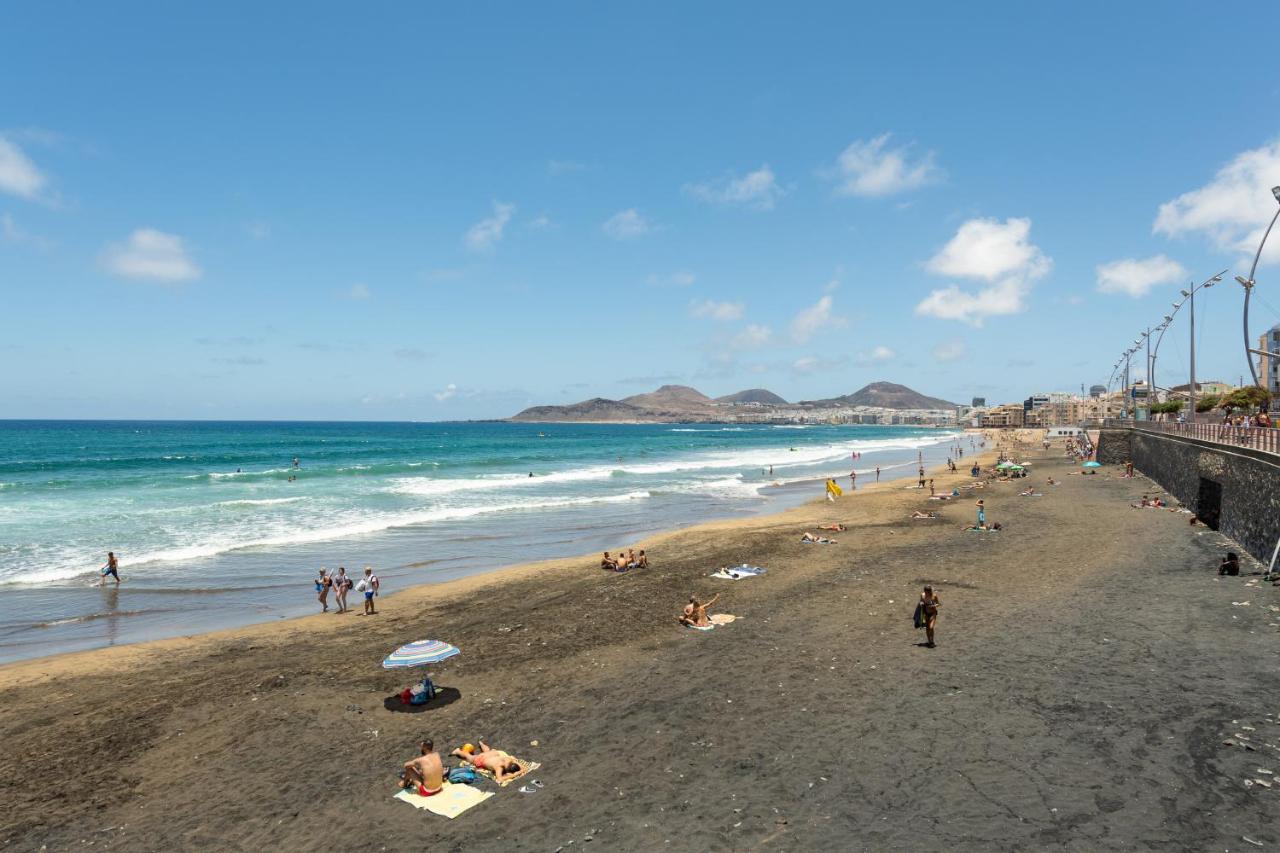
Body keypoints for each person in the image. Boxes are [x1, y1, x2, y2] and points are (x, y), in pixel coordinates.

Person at [452, 742, 522, 783]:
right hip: (481, 759)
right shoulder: (499, 767)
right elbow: (500, 779)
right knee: (469, 757)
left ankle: (481, 743)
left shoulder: (509, 760)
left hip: (491, 754)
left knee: (487, 751)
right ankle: (457, 751)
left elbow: (517, 763)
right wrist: (514, 775)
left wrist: (521, 769)